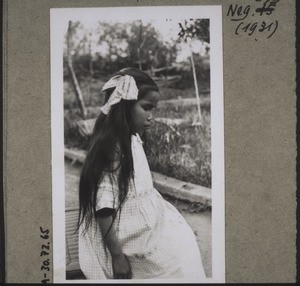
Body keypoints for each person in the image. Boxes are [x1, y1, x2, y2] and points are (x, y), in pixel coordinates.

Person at [77, 67, 206, 280]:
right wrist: (117, 256)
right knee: (174, 264)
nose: (151, 117)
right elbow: (103, 208)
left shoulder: (133, 138)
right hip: (122, 236)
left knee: (185, 247)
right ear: (124, 107)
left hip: (148, 221)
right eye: (146, 108)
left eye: (153, 109)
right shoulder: (112, 149)